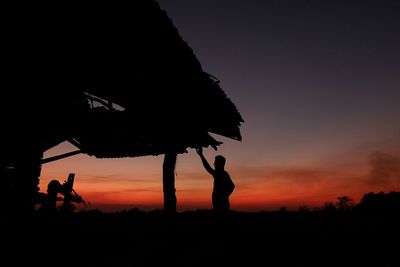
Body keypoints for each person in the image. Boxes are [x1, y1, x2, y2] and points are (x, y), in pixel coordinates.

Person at [196, 147, 235, 217]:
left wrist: (224, 195)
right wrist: (226, 195)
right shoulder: (221, 174)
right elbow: (232, 186)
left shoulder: (221, 174)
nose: (214, 164)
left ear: (219, 164)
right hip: (220, 206)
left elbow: (208, 168)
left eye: (215, 163)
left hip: (221, 207)